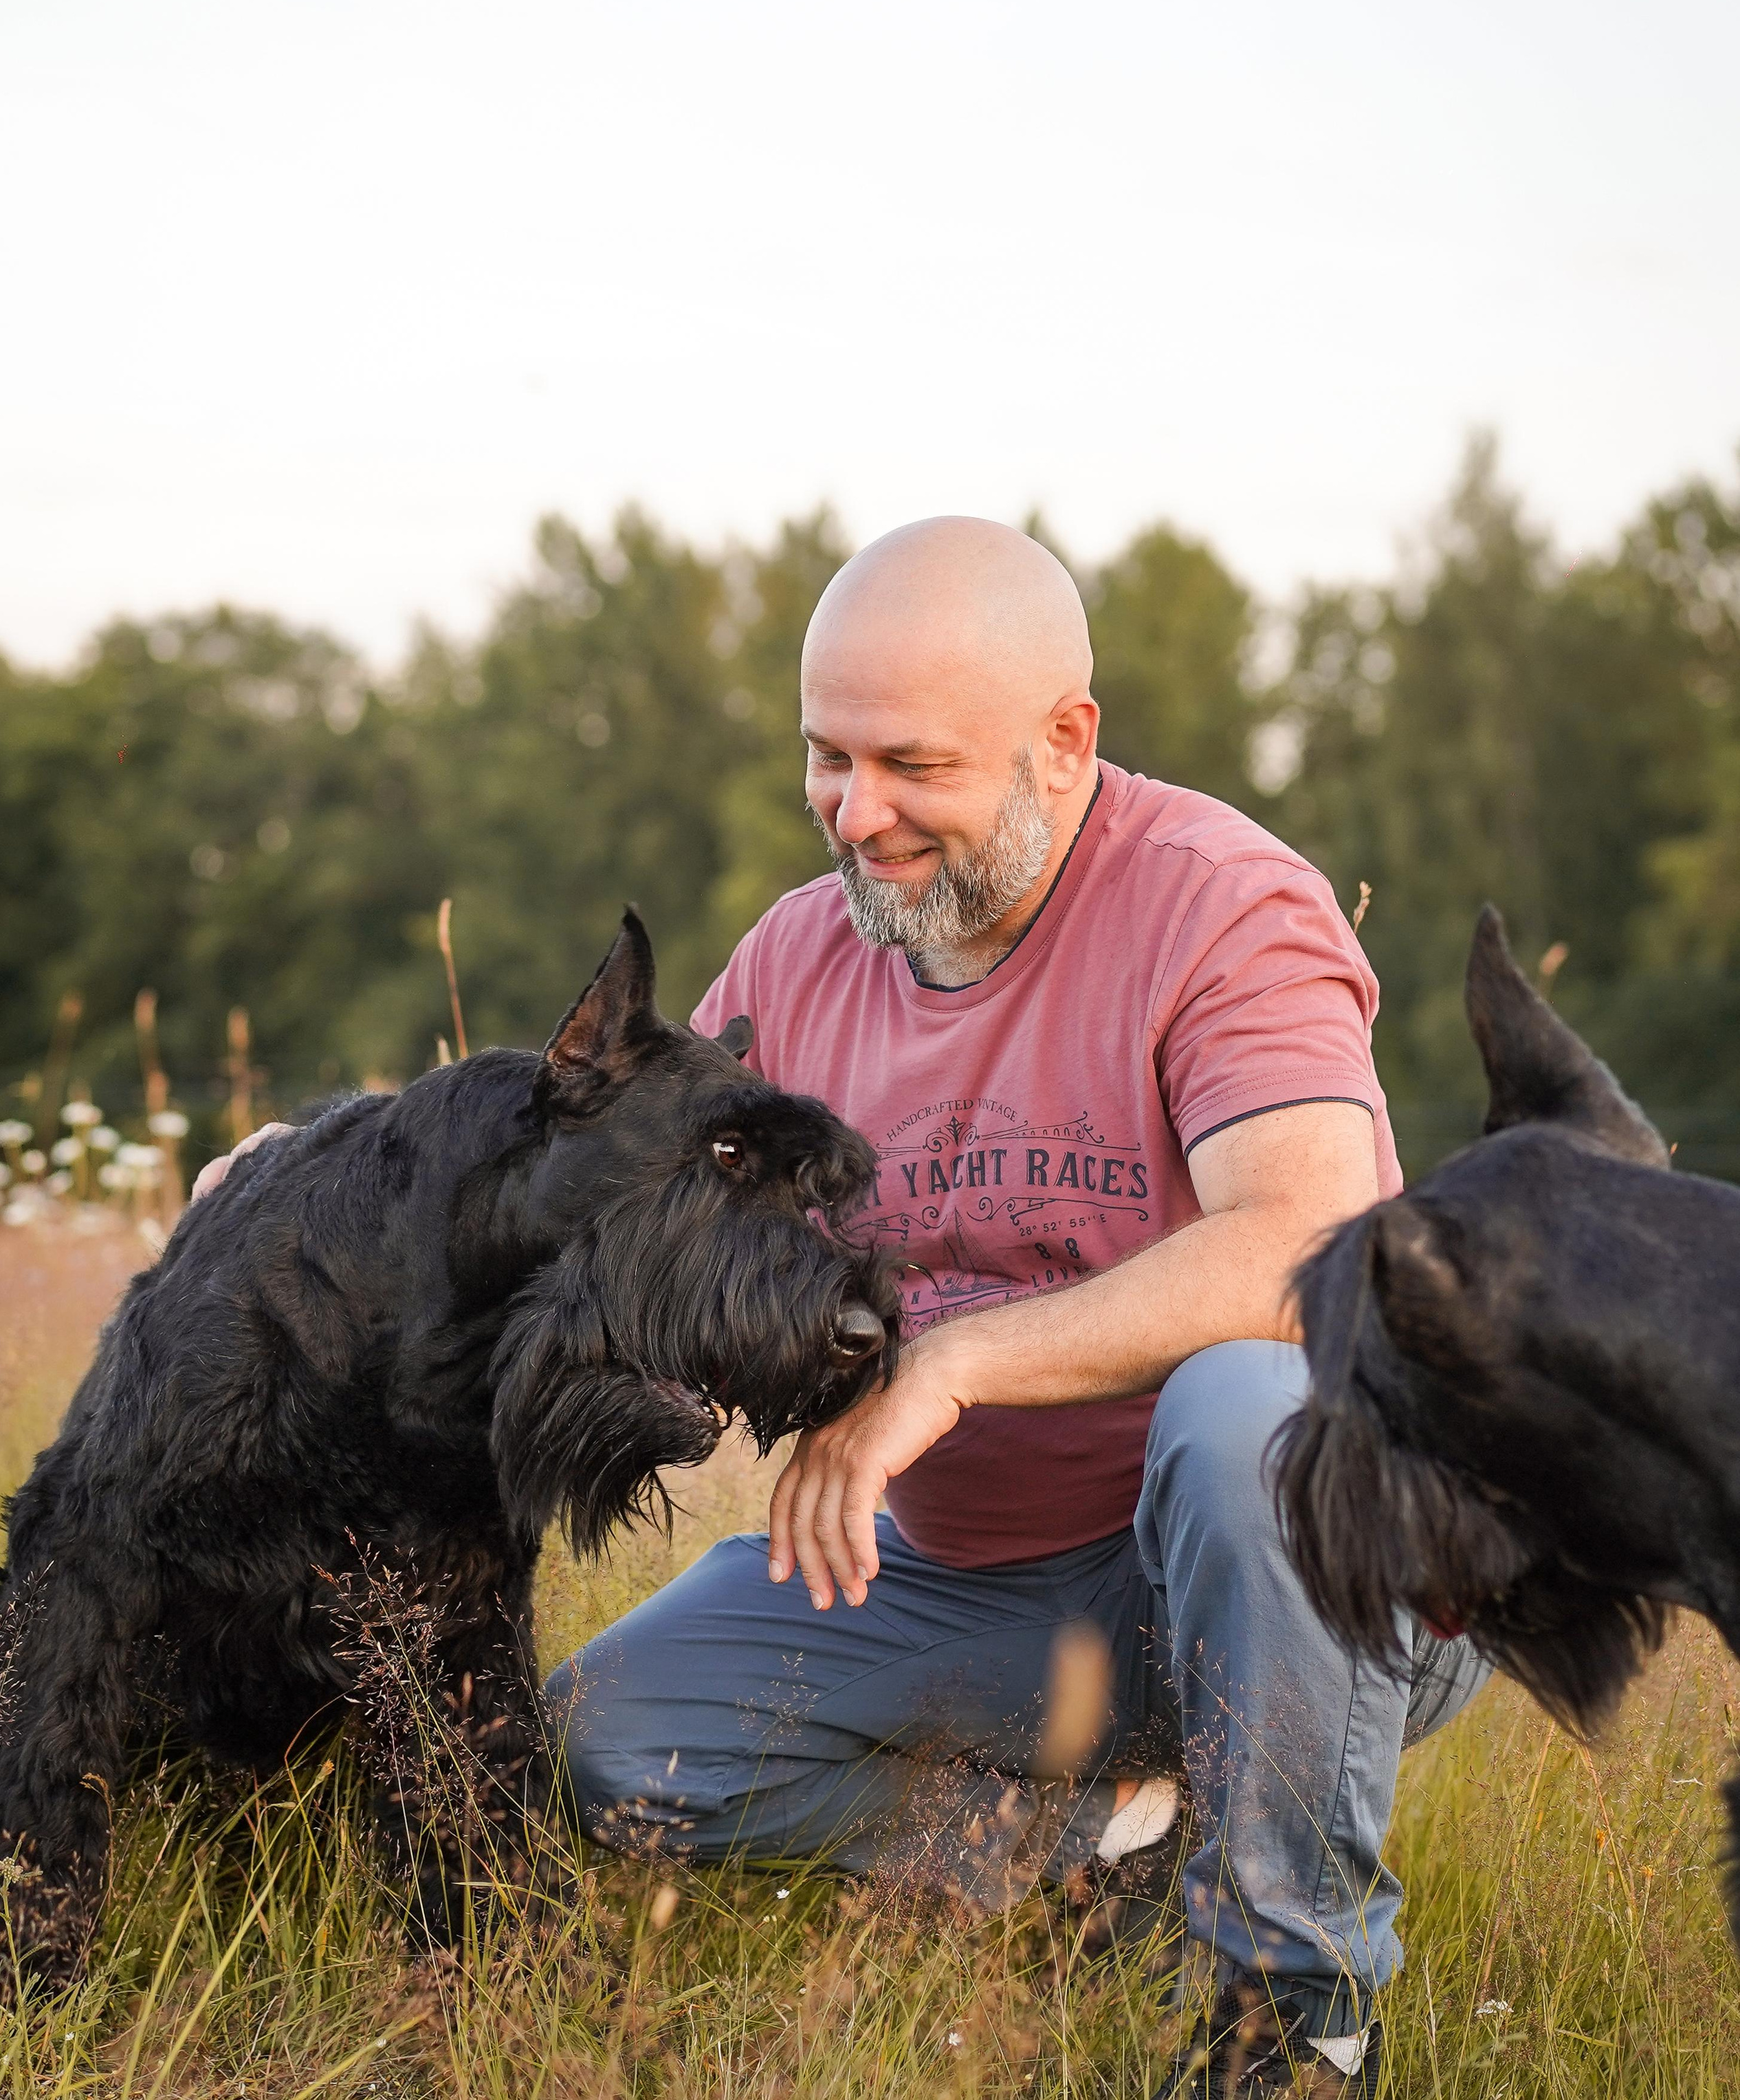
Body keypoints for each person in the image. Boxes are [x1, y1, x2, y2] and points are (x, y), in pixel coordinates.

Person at [201, 516, 1484, 2095]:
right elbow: (575, 1184)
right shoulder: (801, 958)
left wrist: (953, 1364)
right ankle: (1085, 1847)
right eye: (825, 757)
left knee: (1250, 1410)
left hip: (1303, 1577)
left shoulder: (1221, 904)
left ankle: (1288, 2013)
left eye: (909, 766)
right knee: (610, 1746)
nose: (853, 813)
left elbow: (1314, 1242)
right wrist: (301, 1183)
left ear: (1062, 741)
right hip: (962, 1582)